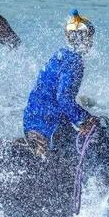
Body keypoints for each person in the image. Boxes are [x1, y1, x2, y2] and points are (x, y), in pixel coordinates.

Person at [22, 9, 99, 156]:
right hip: (48, 126)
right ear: (84, 38)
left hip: (32, 120)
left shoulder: (61, 54)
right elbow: (64, 99)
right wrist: (85, 119)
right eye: (90, 36)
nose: (91, 41)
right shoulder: (74, 61)